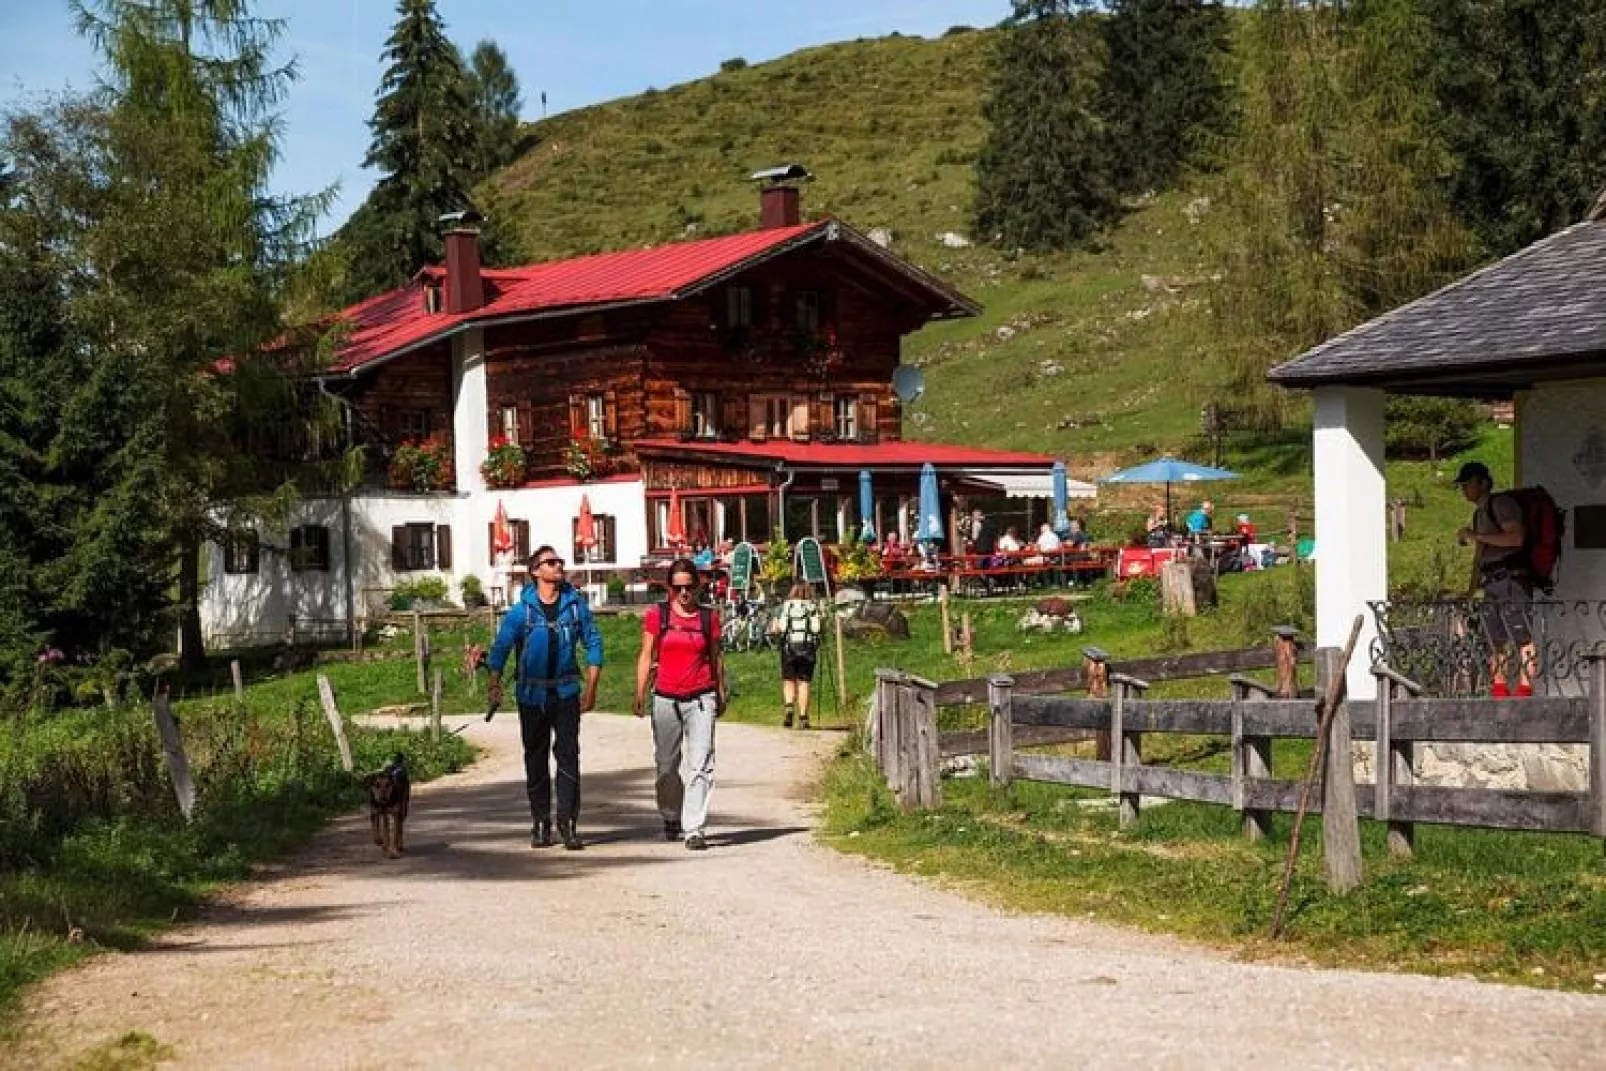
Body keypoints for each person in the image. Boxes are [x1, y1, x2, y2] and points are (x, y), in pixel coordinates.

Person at [487, 547, 604, 851]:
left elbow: (593, 641)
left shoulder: (575, 606)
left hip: (566, 693)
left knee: (568, 757)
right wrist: (494, 683)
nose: (558, 565)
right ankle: (541, 821)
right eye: (551, 562)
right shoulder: (520, 611)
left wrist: (591, 687)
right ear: (536, 571)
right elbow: (500, 648)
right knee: (535, 759)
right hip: (532, 696)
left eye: (559, 562)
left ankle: (568, 822)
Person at [634, 559, 726, 850]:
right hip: (665, 697)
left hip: (701, 697)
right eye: (678, 588)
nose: (684, 593)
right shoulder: (657, 615)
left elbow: (716, 657)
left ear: (698, 587)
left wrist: (720, 692)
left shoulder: (708, 619)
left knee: (701, 764)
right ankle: (671, 814)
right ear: (669, 588)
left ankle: (694, 827)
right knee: (666, 765)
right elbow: (646, 654)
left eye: (689, 587)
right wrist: (640, 693)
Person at [1454, 461, 1534, 696]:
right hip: (1491, 582)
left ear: (1483, 483)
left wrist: (1476, 535)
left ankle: (1524, 691)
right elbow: (1480, 554)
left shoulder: (1502, 504)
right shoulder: (1480, 514)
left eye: (1467, 484)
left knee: (1522, 636)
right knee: (1494, 638)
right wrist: (1471, 589)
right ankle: (1499, 690)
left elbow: (1516, 538)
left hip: (1511, 580)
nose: (1464, 490)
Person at [774, 581, 824, 729]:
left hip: (789, 648)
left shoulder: (786, 606)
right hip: (807, 647)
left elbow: (782, 628)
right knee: (804, 682)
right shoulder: (812, 607)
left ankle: (789, 710)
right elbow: (816, 628)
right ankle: (803, 717)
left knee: (789, 680)